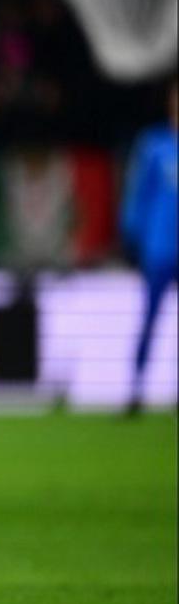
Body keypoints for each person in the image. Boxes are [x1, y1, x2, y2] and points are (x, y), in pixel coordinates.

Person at [120, 79, 178, 415]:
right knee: (150, 318)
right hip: (160, 247)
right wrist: (132, 234)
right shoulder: (155, 144)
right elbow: (138, 193)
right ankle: (136, 388)